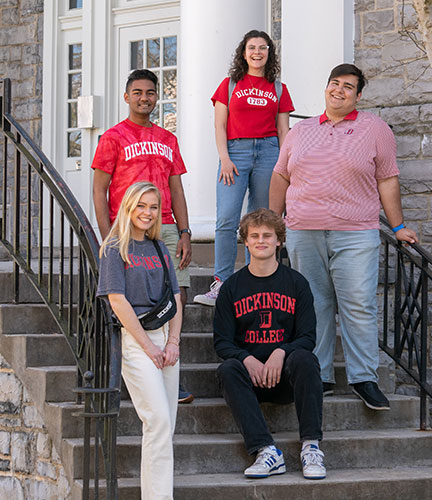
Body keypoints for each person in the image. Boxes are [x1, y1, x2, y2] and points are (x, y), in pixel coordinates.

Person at [269, 63, 419, 411]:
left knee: (358, 303)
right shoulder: (300, 130)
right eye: (334, 83)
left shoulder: (375, 129)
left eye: (348, 86)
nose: (339, 90)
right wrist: (274, 223)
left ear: (358, 95)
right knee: (313, 305)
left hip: (355, 232)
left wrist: (397, 227)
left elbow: (387, 179)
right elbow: (280, 176)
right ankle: (318, 376)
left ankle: (363, 377)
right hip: (303, 230)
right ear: (326, 88)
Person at [92, 69, 193, 403]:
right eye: (137, 92)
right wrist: (110, 239)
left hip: (163, 226)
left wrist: (184, 231)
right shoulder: (112, 137)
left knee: (175, 295)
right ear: (126, 97)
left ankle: (170, 373)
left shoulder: (168, 139)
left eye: (150, 93)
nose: (144, 98)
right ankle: (132, 373)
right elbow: (99, 190)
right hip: (128, 228)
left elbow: (176, 189)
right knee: (130, 299)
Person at [214, 208, 326, 480]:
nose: (261, 240)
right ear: (246, 241)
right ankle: (266, 451)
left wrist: (281, 352)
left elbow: (308, 337)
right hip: (250, 381)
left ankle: (311, 447)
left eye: (268, 235)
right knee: (228, 369)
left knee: (305, 359)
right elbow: (222, 342)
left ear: (279, 241)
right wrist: (246, 358)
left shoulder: (296, 283)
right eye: (254, 236)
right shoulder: (231, 287)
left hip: (286, 378)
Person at [194, 30, 294, 306]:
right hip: (235, 153)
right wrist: (225, 158)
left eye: (263, 47)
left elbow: (284, 129)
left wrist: (284, 163)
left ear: (269, 53)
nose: (257, 52)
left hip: (269, 153)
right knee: (226, 219)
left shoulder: (278, 88)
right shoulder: (229, 85)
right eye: (252, 47)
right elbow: (219, 125)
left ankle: (256, 282)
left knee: (262, 220)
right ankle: (222, 283)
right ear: (243, 52)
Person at [97, 182, 181, 500]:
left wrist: (172, 342)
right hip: (136, 340)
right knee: (157, 419)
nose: (147, 213)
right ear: (129, 206)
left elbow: (176, 298)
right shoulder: (115, 247)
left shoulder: (159, 247)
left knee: (164, 428)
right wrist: (148, 346)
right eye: (141, 205)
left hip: (165, 339)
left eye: (154, 207)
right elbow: (117, 301)